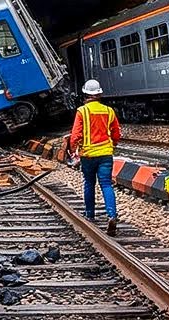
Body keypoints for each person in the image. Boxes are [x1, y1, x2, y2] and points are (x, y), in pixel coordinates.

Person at [68, 79, 121, 236]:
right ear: (99, 94)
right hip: (106, 154)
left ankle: (90, 214)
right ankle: (112, 215)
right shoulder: (109, 111)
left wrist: (73, 150)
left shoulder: (82, 111)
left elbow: (75, 134)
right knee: (106, 184)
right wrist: (114, 144)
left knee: (89, 183)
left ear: (85, 94)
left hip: (89, 155)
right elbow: (116, 132)